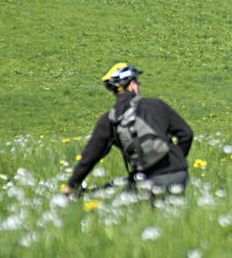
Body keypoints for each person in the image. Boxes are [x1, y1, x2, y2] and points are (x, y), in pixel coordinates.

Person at [64, 63, 193, 197]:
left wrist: (72, 186)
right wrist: (177, 160)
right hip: (178, 173)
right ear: (132, 84)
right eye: (137, 82)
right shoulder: (156, 104)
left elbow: (90, 157)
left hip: (147, 178)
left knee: (127, 208)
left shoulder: (110, 119)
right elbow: (186, 134)